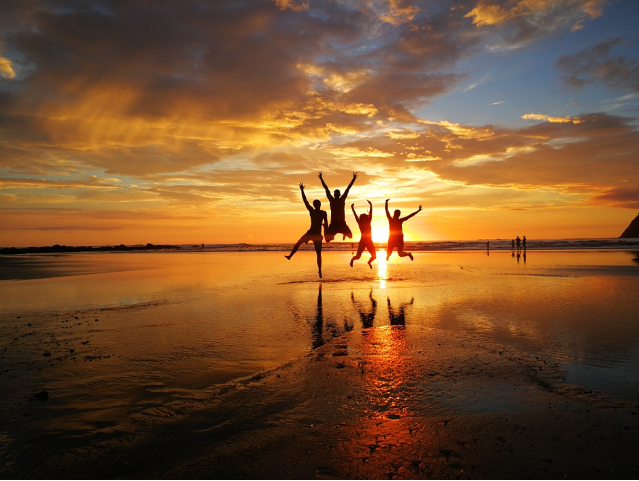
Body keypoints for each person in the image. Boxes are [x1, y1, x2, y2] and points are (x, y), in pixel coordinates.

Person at [285, 183, 328, 279]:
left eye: (318, 204)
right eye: (316, 204)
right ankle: (290, 256)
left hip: (317, 235)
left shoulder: (323, 213)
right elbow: (305, 201)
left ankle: (320, 270)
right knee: (298, 242)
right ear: (314, 205)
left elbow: (327, 224)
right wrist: (302, 190)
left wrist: (326, 232)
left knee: (318, 254)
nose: (317, 206)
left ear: (320, 205)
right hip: (310, 232)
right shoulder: (312, 211)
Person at [318, 171, 357, 242]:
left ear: (339, 194)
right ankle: (326, 227)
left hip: (342, 223)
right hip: (334, 224)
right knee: (327, 240)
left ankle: (344, 233)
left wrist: (353, 179)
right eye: (335, 194)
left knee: (350, 236)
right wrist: (321, 179)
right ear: (334, 195)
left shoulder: (342, 200)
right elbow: (326, 189)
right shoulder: (332, 200)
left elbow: (348, 189)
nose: (336, 195)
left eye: (337, 194)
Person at [350, 200, 376, 269]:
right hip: (363, 241)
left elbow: (371, 214)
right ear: (361, 218)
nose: (364, 218)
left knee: (374, 256)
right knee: (358, 256)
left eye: (365, 217)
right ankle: (352, 259)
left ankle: (369, 262)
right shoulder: (360, 223)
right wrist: (352, 208)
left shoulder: (368, 221)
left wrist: (371, 205)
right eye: (363, 217)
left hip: (369, 241)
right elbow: (355, 216)